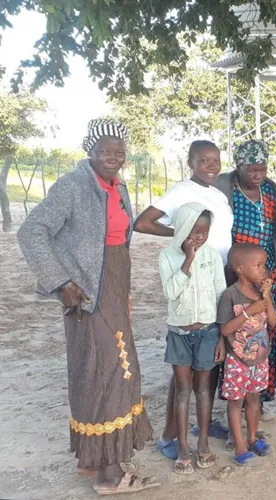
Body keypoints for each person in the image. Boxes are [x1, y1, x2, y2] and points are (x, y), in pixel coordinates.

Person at [18, 119, 158, 495]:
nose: (114, 158)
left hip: (115, 285)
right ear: (90, 151)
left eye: (119, 152)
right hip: (88, 294)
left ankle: (95, 458)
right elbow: (31, 232)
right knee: (106, 370)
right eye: (106, 151)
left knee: (109, 366)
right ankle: (110, 475)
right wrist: (61, 282)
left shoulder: (119, 187)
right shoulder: (73, 186)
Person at [135, 141, 231, 456]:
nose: (211, 165)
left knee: (210, 359)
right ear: (191, 162)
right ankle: (170, 433)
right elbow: (143, 222)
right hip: (187, 278)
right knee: (184, 371)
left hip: (216, 275)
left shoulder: (217, 194)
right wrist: (182, 239)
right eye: (204, 160)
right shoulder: (181, 192)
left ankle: (201, 427)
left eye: (216, 160)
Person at [215, 139, 276, 417]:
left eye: (262, 169)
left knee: (265, 328)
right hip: (236, 272)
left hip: (266, 270)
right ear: (239, 167)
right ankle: (234, 394)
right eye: (252, 169)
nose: (258, 175)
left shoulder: (271, 190)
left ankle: (259, 394)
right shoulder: (225, 189)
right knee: (238, 328)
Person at [158, 203, 226, 474]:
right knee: (183, 391)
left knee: (203, 390)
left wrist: (221, 336)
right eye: (193, 231)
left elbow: (221, 296)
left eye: (204, 232)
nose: (198, 237)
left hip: (208, 332)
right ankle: (183, 447)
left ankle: (204, 444)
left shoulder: (212, 256)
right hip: (179, 334)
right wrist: (187, 260)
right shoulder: (167, 256)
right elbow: (170, 293)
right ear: (181, 228)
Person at [217, 243, 276, 466]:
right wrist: (248, 311)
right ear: (240, 269)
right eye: (258, 266)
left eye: (264, 265)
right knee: (235, 402)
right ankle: (239, 444)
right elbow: (224, 329)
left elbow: (272, 322)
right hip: (237, 360)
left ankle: (253, 437)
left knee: (254, 399)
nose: (264, 270)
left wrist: (267, 298)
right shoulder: (230, 295)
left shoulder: (260, 292)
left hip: (259, 359)